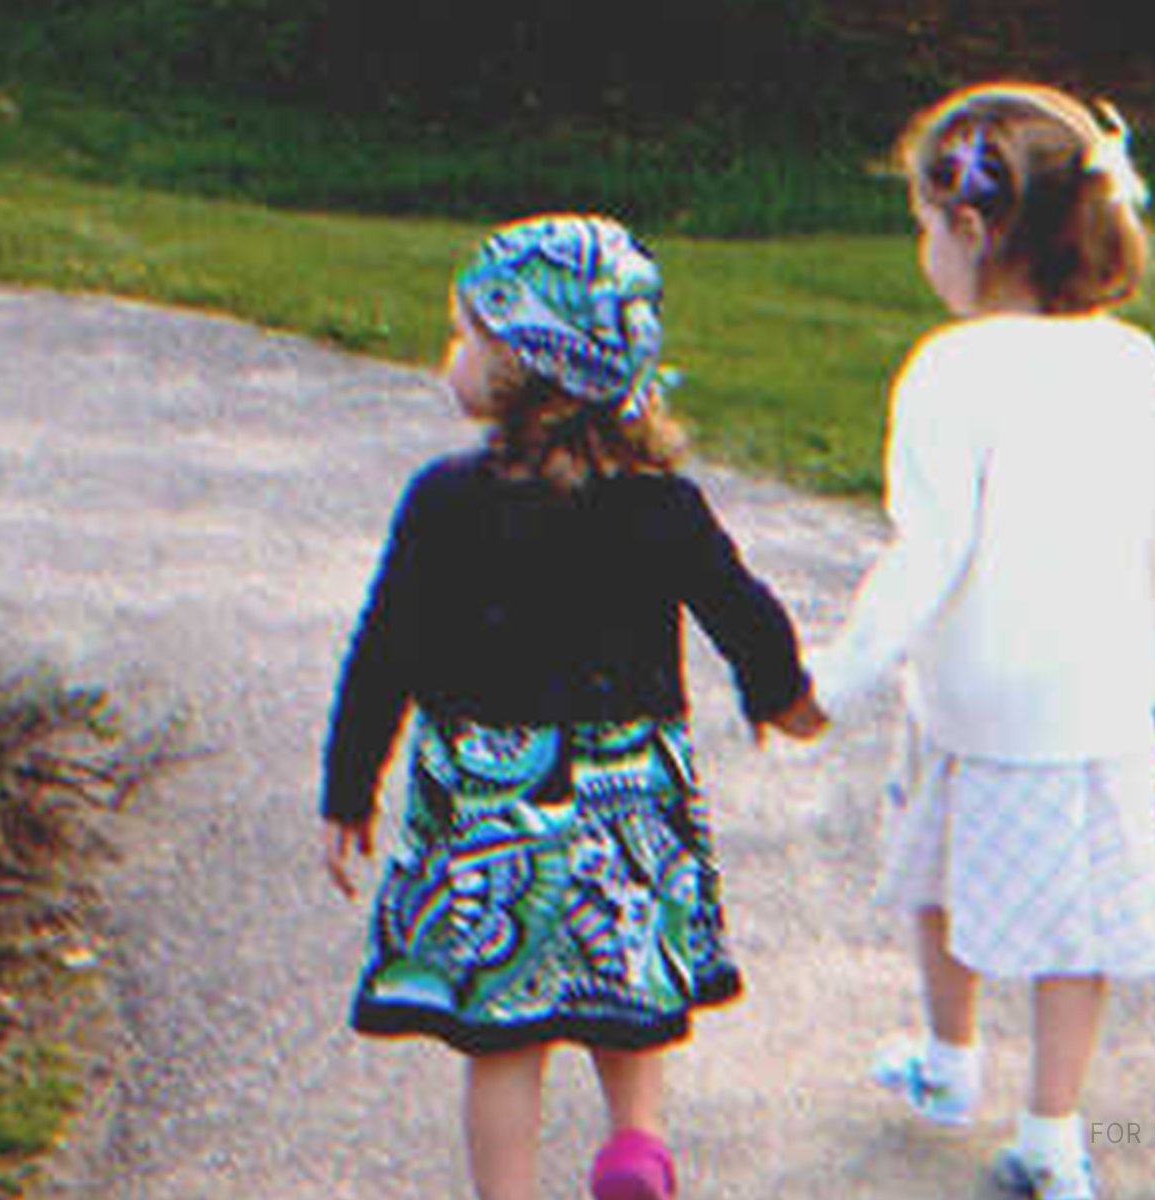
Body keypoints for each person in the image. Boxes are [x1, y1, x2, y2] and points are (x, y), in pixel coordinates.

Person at [321, 213, 824, 1200]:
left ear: (525, 367)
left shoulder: (445, 500)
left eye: (468, 335)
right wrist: (784, 695)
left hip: (487, 807)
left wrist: (350, 789)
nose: (452, 355)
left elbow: (386, 651)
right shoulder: (659, 504)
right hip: (622, 801)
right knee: (624, 989)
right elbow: (741, 609)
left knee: (502, 1041)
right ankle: (637, 1145)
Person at [801, 83, 1155, 1200]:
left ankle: (948, 1061)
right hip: (1101, 708)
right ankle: (1052, 1135)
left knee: (941, 876)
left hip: (971, 705)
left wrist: (831, 681)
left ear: (972, 228)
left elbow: (923, 556)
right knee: (1073, 934)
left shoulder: (950, 371)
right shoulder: (1137, 366)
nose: (924, 250)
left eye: (926, 227)